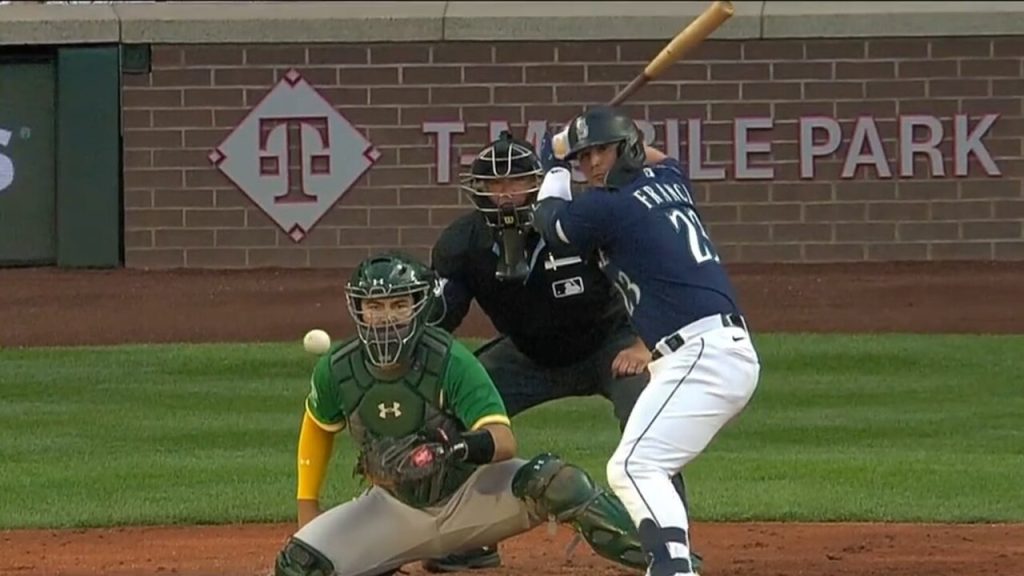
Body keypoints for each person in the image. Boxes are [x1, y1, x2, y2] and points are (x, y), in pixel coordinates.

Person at [272, 251, 650, 576]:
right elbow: (319, 427)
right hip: (394, 509)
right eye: (375, 307)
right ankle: (383, 555)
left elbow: (503, 440)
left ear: (419, 306)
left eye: (399, 305)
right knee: (300, 564)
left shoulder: (450, 359)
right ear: (359, 309)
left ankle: (663, 559)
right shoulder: (338, 369)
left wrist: (450, 450)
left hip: (473, 497)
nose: (387, 318)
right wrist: (308, 508)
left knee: (557, 483)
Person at [425, 131, 700, 573]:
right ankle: (470, 540)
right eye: (494, 186)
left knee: (649, 422)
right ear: (477, 192)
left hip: (611, 346)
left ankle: (669, 545)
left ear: (539, 184)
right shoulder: (463, 243)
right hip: (528, 355)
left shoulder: (576, 222)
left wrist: (644, 343)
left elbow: (654, 276)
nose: (505, 195)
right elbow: (441, 320)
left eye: (515, 183)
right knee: (454, 412)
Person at [531, 106, 762, 576]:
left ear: (627, 147)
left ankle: (673, 567)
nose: (592, 163)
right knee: (639, 464)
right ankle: (672, 562)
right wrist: (590, 138)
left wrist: (554, 161)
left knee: (635, 467)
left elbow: (550, 221)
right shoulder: (672, 179)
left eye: (601, 150)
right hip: (705, 353)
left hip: (702, 355)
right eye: (584, 157)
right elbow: (658, 156)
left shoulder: (607, 207)